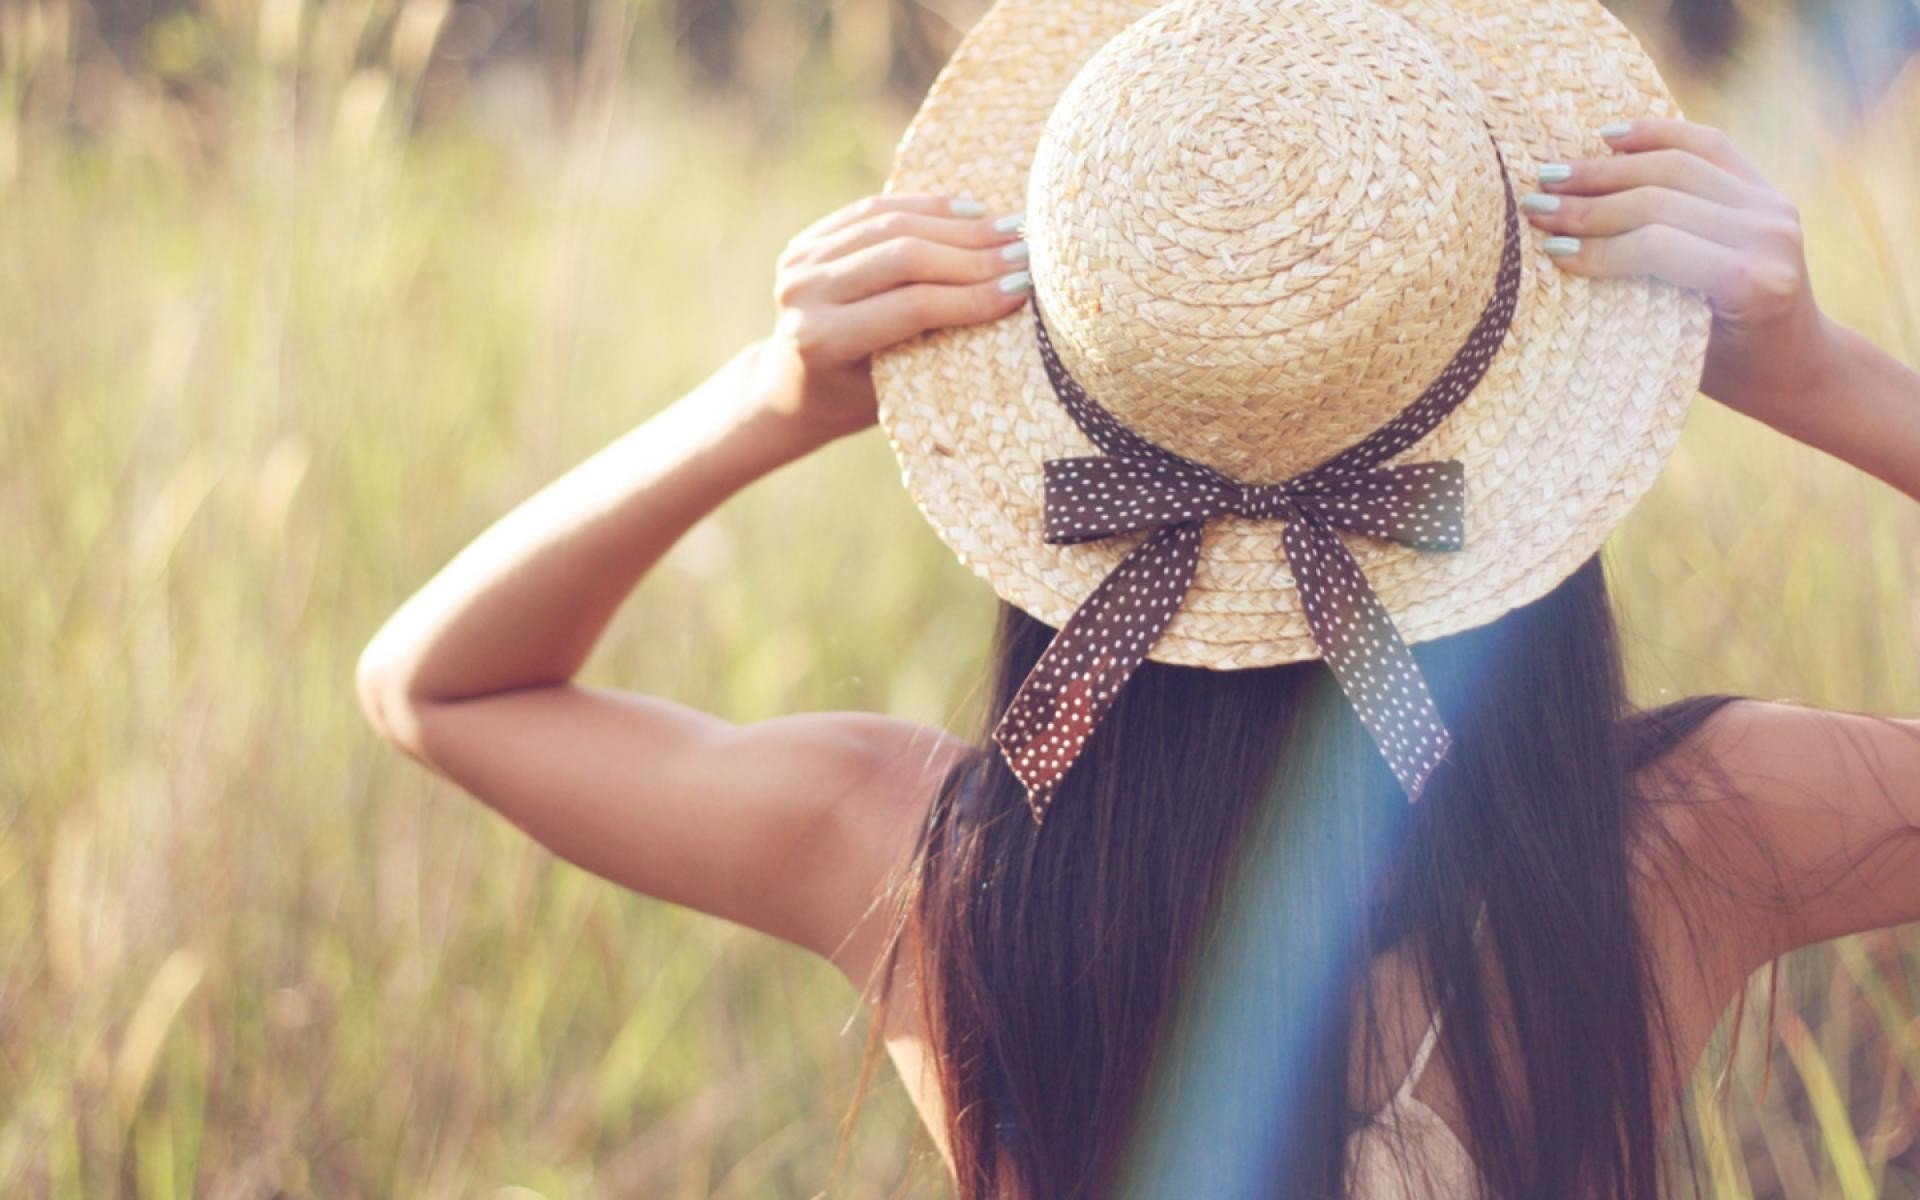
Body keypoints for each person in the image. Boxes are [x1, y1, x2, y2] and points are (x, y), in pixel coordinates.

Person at [356, 0, 1920, 1195]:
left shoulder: (934, 864)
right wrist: (1825, 379)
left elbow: (439, 691)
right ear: (1527, 457)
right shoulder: (1688, 837)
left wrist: (771, 404)